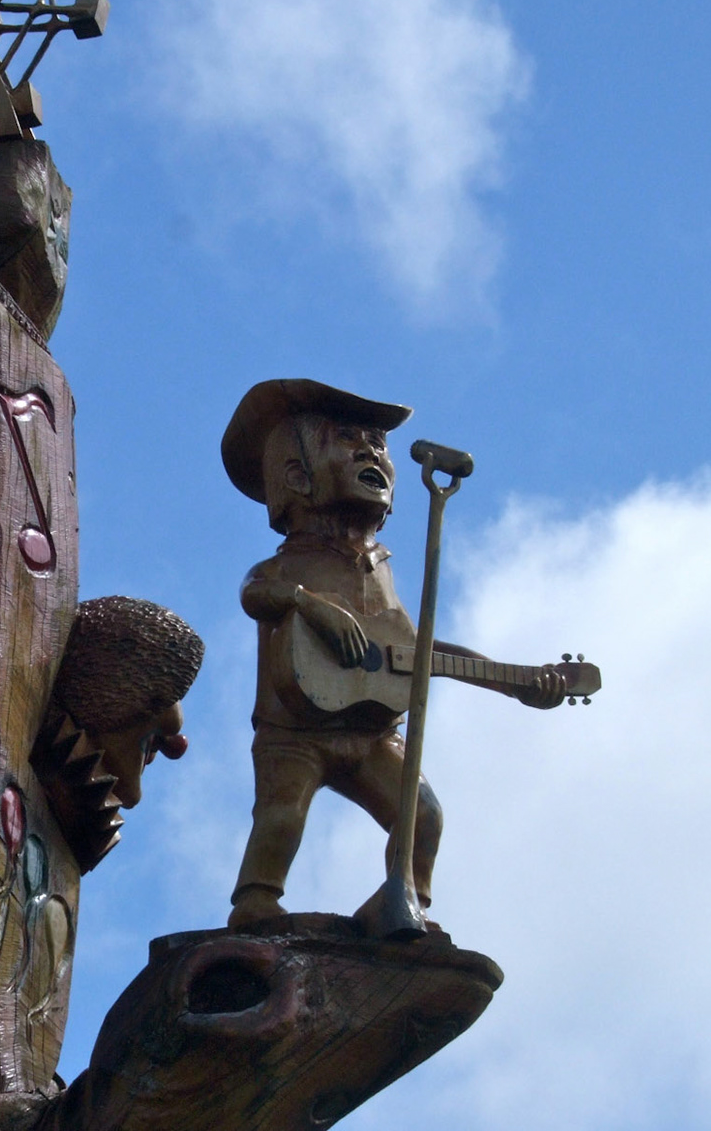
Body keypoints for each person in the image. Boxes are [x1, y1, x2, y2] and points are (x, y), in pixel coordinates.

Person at [221, 379, 562, 929]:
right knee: (282, 816)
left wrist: (511, 680)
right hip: (295, 730)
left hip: (374, 733)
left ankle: (405, 902)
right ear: (297, 476)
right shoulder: (293, 560)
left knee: (421, 814)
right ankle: (256, 903)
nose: (370, 453)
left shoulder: (378, 567)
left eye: (377, 444)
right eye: (346, 439)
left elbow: (412, 650)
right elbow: (255, 592)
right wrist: (309, 604)